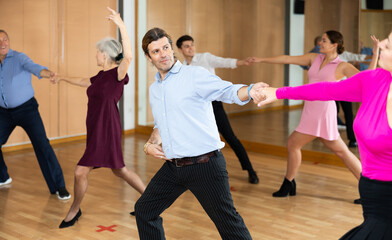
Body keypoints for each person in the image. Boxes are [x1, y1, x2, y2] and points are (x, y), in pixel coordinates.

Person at [253, 32, 392, 240]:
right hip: (373, 201)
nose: (380, 44)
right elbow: (325, 90)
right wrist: (279, 93)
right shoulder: (375, 80)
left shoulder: (349, 68)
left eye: (388, 44)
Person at [134, 27, 265, 240]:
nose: (163, 54)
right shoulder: (155, 89)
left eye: (166, 47)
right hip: (173, 167)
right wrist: (150, 143)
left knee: (229, 226)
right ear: (149, 56)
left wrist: (249, 90)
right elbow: (160, 124)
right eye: (156, 51)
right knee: (144, 211)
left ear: (171, 48)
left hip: (205, 166)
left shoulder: (193, 75)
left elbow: (228, 90)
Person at [248, 30, 377, 200]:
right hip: (310, 110)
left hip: (323, 112)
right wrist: (262, 60)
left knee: (296, 143)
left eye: (323, 41)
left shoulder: (342, 66)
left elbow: (366, 79)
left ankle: (289, 183)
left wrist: (375, 54)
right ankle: (371, 190)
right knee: (339, 151)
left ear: (334, 45)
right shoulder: (313, 58)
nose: (320, 43)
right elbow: (287, 59)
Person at [55, 7, 146, 228]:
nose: (95, 55)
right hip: (96, 128)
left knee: (81, 172)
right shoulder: (100, 77)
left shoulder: (117, 74)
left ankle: (74, 210)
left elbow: (130, 55)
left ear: (104, 54)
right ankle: (151, 199)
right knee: (119, 170)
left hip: (108, 128)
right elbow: (83, 81)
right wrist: (62, 78)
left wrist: (121, 24)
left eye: (97, 52)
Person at [175, 34, 259, 184]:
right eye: (186, 46)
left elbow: (223, 62)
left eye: (192, 44)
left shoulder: (204, 58)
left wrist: (242, 62)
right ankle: (194, 174)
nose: (191, 48)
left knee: (230, 137)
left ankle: (250, 170)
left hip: (214, 104)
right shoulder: (182, 68)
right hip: (197, 109)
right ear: (180, 49)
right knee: (196, 140)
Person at [0, 30, 70, 200]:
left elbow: (36, 68)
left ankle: (59, 186)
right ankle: (3, 177)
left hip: (26, 109)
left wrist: (49, 74)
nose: (2, 43)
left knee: (42, 145)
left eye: (5, 39)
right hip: (3, 112)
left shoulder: (18, 58)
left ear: (9, 41)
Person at [304, 35, 374, 148]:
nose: (322, 45)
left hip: (344, 89)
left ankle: (352, 139)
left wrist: (374, 56)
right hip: (329, 90)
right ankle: (324, 134)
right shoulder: (319, 57)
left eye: (324, 42)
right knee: (328, 112)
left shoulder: (342, 55)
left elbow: (358, 57)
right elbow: (306, 64)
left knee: (348, 114)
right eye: (320, 43)